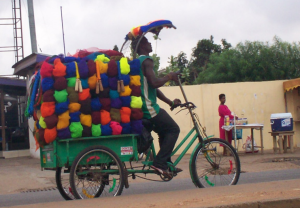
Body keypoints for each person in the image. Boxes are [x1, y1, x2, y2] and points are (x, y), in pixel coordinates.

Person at [131, 36, 182, 178]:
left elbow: (153, 88)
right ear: (142, 46)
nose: (150, 44)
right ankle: (159, 163)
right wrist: (169, 77)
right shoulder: (147, 61)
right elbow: (154, 83)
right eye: (147, 42)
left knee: (164, 132)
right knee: (173, 129)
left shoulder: (138, 62)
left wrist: (170, 102)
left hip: (143, 107)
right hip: (149, 108)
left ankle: (166, 164)